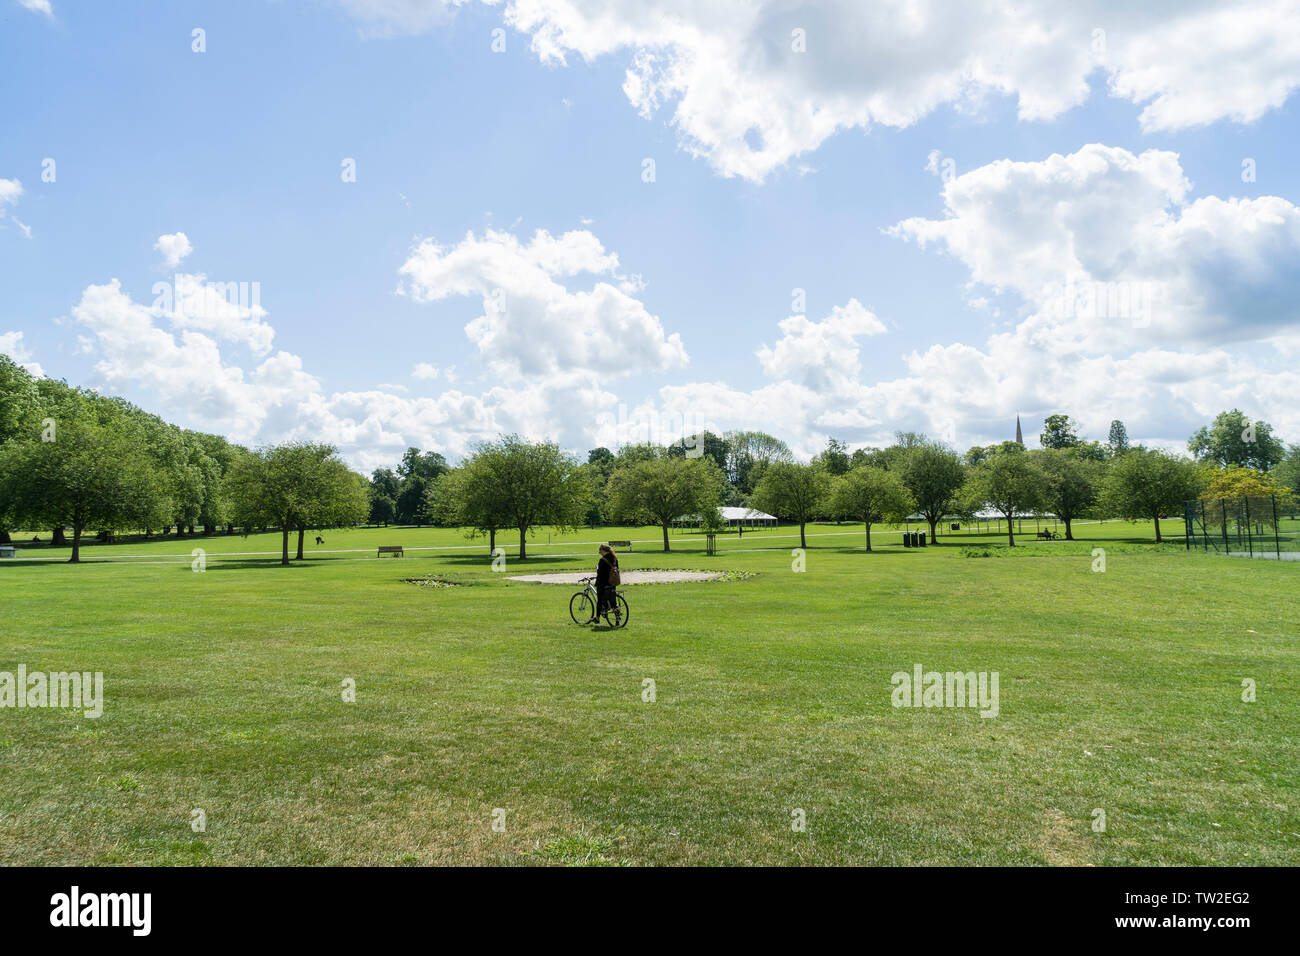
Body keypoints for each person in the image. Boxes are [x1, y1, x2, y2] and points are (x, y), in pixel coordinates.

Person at [595, 545, 619, 620]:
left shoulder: (602, 560)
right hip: (613, 582)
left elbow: (600, 573)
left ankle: (597, 618)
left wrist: (597, 568)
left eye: (600, 551)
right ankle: (616, 615)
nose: (599, 553)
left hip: (603, 583)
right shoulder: (615, 558)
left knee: (599, 600)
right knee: (612, 598)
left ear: (603, 550)